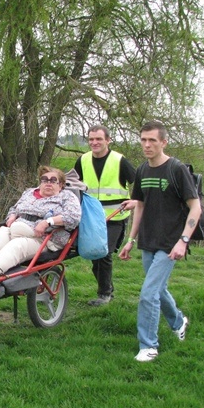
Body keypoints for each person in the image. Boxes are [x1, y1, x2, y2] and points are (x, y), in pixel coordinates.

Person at [119, 120, 201, 362]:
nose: (146, 145)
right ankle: (178, 321)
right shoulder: (143, 170)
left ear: (163, 142)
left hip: (170, 242)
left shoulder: (176, 169)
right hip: (148, 240)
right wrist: (130, 240)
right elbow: (140, 206)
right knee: (158, 289)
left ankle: (149, 346)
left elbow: (196, 207)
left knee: (148, 293)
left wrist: (183, 241)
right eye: (143, 140)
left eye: (152, 140)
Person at [0, 166, 82, 282]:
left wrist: (48, 222)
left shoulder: (66, 196)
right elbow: (14, 208)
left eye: (53, 180)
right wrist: (12, 216)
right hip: (16, 228)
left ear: (60, 185)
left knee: (17, 245)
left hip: (43, 237)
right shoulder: (29, 193)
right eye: (44, 180)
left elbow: (73, 217)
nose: (48, 183)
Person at [74, 125, 136, 306]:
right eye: (91, 139)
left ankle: (104, 295)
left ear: (108, 140)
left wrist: (136, 201)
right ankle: (108, 288)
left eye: (99, 139)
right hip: (91, 218)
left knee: (104, 253)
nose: (94, 143)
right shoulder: (83, 160)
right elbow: (73, 184)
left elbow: (137, 183)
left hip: (115, 217)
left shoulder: (120, 161)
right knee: (95, 255)